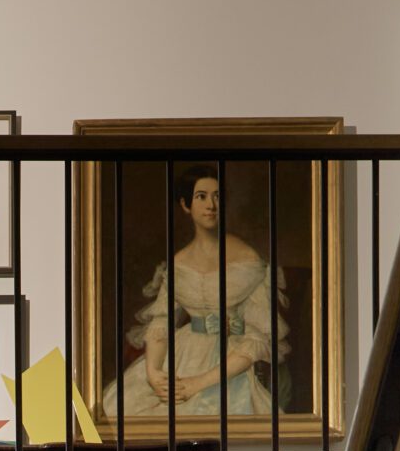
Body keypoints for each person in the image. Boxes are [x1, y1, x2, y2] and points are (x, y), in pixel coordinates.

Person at [102, 165, 288, 424]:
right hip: (182, 354)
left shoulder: (248, 259)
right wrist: (154, 372)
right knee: (121, 409)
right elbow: (161, 322)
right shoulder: (178, 262)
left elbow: (257, 338)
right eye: (201, 196)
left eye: (217, 196)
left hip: (228, 363)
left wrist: (197, 383)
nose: (211, 205)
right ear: (185, 204)